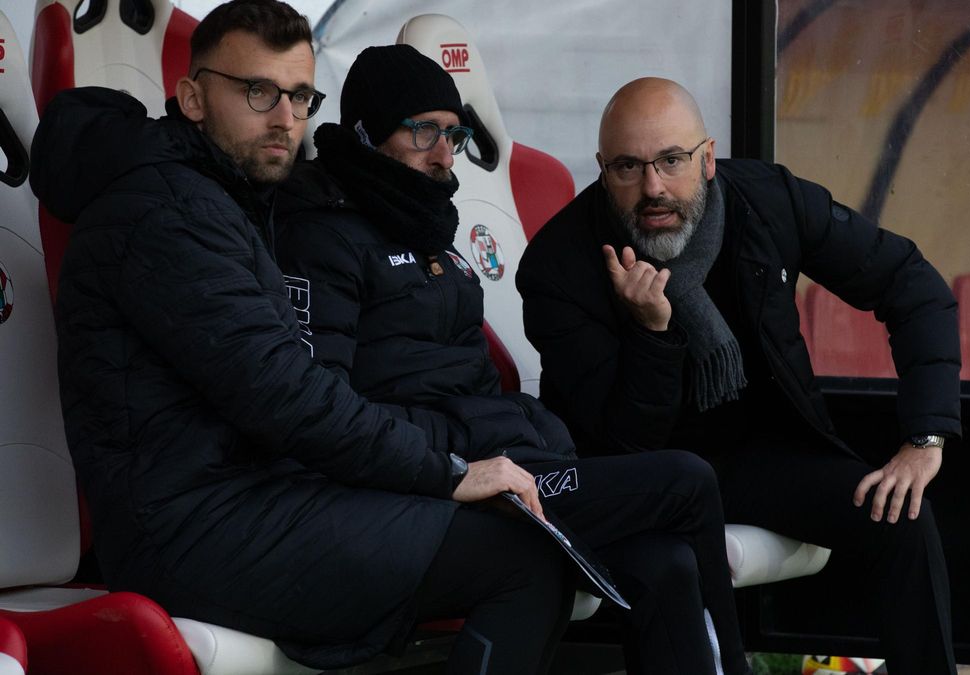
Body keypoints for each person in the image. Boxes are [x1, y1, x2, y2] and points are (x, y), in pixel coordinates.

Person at [32, 2, 574, 672]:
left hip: (253, 501)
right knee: (521, 557)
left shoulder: (227, 195)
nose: (285, 117)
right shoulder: (167, 208)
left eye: (298, 96)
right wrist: (446, 471)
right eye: (259, 91)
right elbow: (287, 396)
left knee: (544, 530)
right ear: (193, 97)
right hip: (192, 532)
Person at [273, 44, 749, 675]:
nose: (445, 153)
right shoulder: (322, 237)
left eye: (454, 133)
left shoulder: (430, 235)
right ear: (366, 134)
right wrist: (455, 463)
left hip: (510, 458)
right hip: (439, 481)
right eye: (423, 132)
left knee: (667, 561)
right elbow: (324, 405)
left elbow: (468, 382)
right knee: (686, 480)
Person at [516, 77, 963, 675]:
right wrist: (654, 333)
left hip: (757, 455)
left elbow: (911, 283)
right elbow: (623, 441)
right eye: (628, 167)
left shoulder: (767, 201)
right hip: (641, 474)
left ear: (706, 158)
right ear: (601, 169)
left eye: (671, 161)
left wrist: (924, 438)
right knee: (672, 548)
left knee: (900, 515)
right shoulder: (558, 266)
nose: (652, 188)